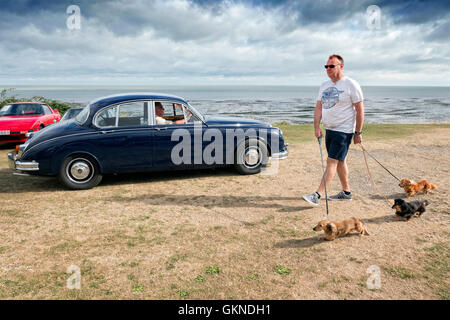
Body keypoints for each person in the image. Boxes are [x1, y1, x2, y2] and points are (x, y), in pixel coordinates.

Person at [302, 54, 364, 206]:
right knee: (340, 161)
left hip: (344, 131)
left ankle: (317, 195)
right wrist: (317, 127)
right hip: (329, 129)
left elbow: (360, 110)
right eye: (326, 66)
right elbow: (318, 107)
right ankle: (346, 193)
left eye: (332, 66)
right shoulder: (324, 85)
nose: (328, 69)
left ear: (340, 66)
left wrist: (358, 132)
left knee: (331, 162)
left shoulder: (350, 84)